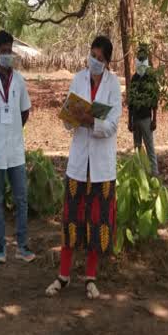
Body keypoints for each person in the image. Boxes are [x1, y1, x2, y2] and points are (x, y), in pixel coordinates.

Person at [46, 36, 122, 300]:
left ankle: (90, 278)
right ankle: (63, 276)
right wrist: (71, 117)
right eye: (92, 56)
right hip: (79, 163)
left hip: (101, 166)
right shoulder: (78, 79)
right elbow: (68, 123)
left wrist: (91, 121)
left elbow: (112, 126)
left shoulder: (113, 86)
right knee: (71, 220)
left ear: (107, 62)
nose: (95, 62)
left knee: (97, 221)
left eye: (100, 59)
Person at [0, 30, 35, 264]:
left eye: (9, 51)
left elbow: (25, 111)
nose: (7, 55)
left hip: (16, 153)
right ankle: (1, 247)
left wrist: (12, 132)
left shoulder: (19, 80)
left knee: (22, 200)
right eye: (3, 52)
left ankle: (22, 246)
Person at [127, 45, 159, 175]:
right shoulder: (134, 78)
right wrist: (130, 120)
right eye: (138, 58)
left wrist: (154, 119)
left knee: (150, 147)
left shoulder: (151, 77)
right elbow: (131, 101)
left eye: (142, 58)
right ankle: (140, 175)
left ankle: (154, 173)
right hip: (135, 118)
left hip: (146, 118)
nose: (140, 61)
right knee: (137, 147)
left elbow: (154, 100)